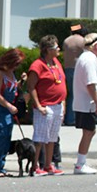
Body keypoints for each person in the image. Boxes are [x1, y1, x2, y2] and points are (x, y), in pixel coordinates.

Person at [27, 35, 67, 176]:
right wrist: (38, 105)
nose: (59, 49)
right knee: (39, 139)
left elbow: (62, 83)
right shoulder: (38, 65)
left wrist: (63, 104)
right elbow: (31, 86)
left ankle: (48, 165)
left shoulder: (56, 62)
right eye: (56, 47)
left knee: (52, 138)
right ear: (48, 50)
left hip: (57, 106)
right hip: (45, 106)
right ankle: (34, 166)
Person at [0, 48, 26, 177]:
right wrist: (9, 106)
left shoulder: (11, 74)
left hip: (7, 110)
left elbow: (12, 88)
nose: (17, 66)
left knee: (6, 137)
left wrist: (21, 82)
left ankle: (0, 166)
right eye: (16, 63)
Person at [72, 33, 97, 175]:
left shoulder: (87, 57)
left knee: (89, 131)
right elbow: (91, 84)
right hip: (88, 103)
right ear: (96, 45)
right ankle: (80, 164)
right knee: (88, 132)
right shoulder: (90, 60)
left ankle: (81, 162)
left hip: (86, 102)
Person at [62, 24, 88, 126]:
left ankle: (67, 118)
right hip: (78, 69)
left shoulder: (66, 40)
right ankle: (72, 119)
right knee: (77, 94)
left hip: (67, 69)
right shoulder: (82, 40)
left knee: (69, 94)